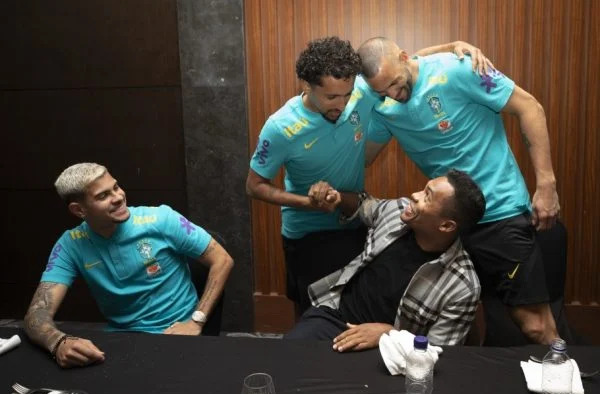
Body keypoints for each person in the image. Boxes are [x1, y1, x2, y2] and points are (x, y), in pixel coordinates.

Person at [246, 36, 491, 313]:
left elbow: (401, 63)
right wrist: (309, 203)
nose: (342, 105)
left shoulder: (362, 92)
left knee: (353, 312)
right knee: (312, 315)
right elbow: (255, 186)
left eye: (347, 94)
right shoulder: (280, 127)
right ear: (306, 85)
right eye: (331, 97)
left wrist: (451, 47)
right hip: (307, 234)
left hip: (356, 223)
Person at [358, 37, 561, 344]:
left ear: (404, 57)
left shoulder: (458, 69)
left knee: (535, 325)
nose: (393, 95)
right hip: (449, 224)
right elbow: (363, 157)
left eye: (396, 84)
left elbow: (530, 107)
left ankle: (563, 372)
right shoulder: (381, 104)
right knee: (463, 317)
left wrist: (546, 186)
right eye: (382, 92)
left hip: (499, 211)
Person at [24, 163, 234, 368]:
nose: (118, 197)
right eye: (103, 196)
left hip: (177, 332)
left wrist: (196, 321)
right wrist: (58, 342)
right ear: (79, 210)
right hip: (122, 339)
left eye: (116, 187)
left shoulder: (161, 219)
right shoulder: (70, 244)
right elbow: (36, 315)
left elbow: (222, 260)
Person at [285, 169, 486, 349]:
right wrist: (337, 198)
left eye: (427, 197)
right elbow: (364, 205)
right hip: (334, 318)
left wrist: (390, 334)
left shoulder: (463, 286)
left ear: (446, 226)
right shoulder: (399, 210)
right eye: (423, 189)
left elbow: (439, 352)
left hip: (391, 353)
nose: (414, 196)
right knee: (287, 358)